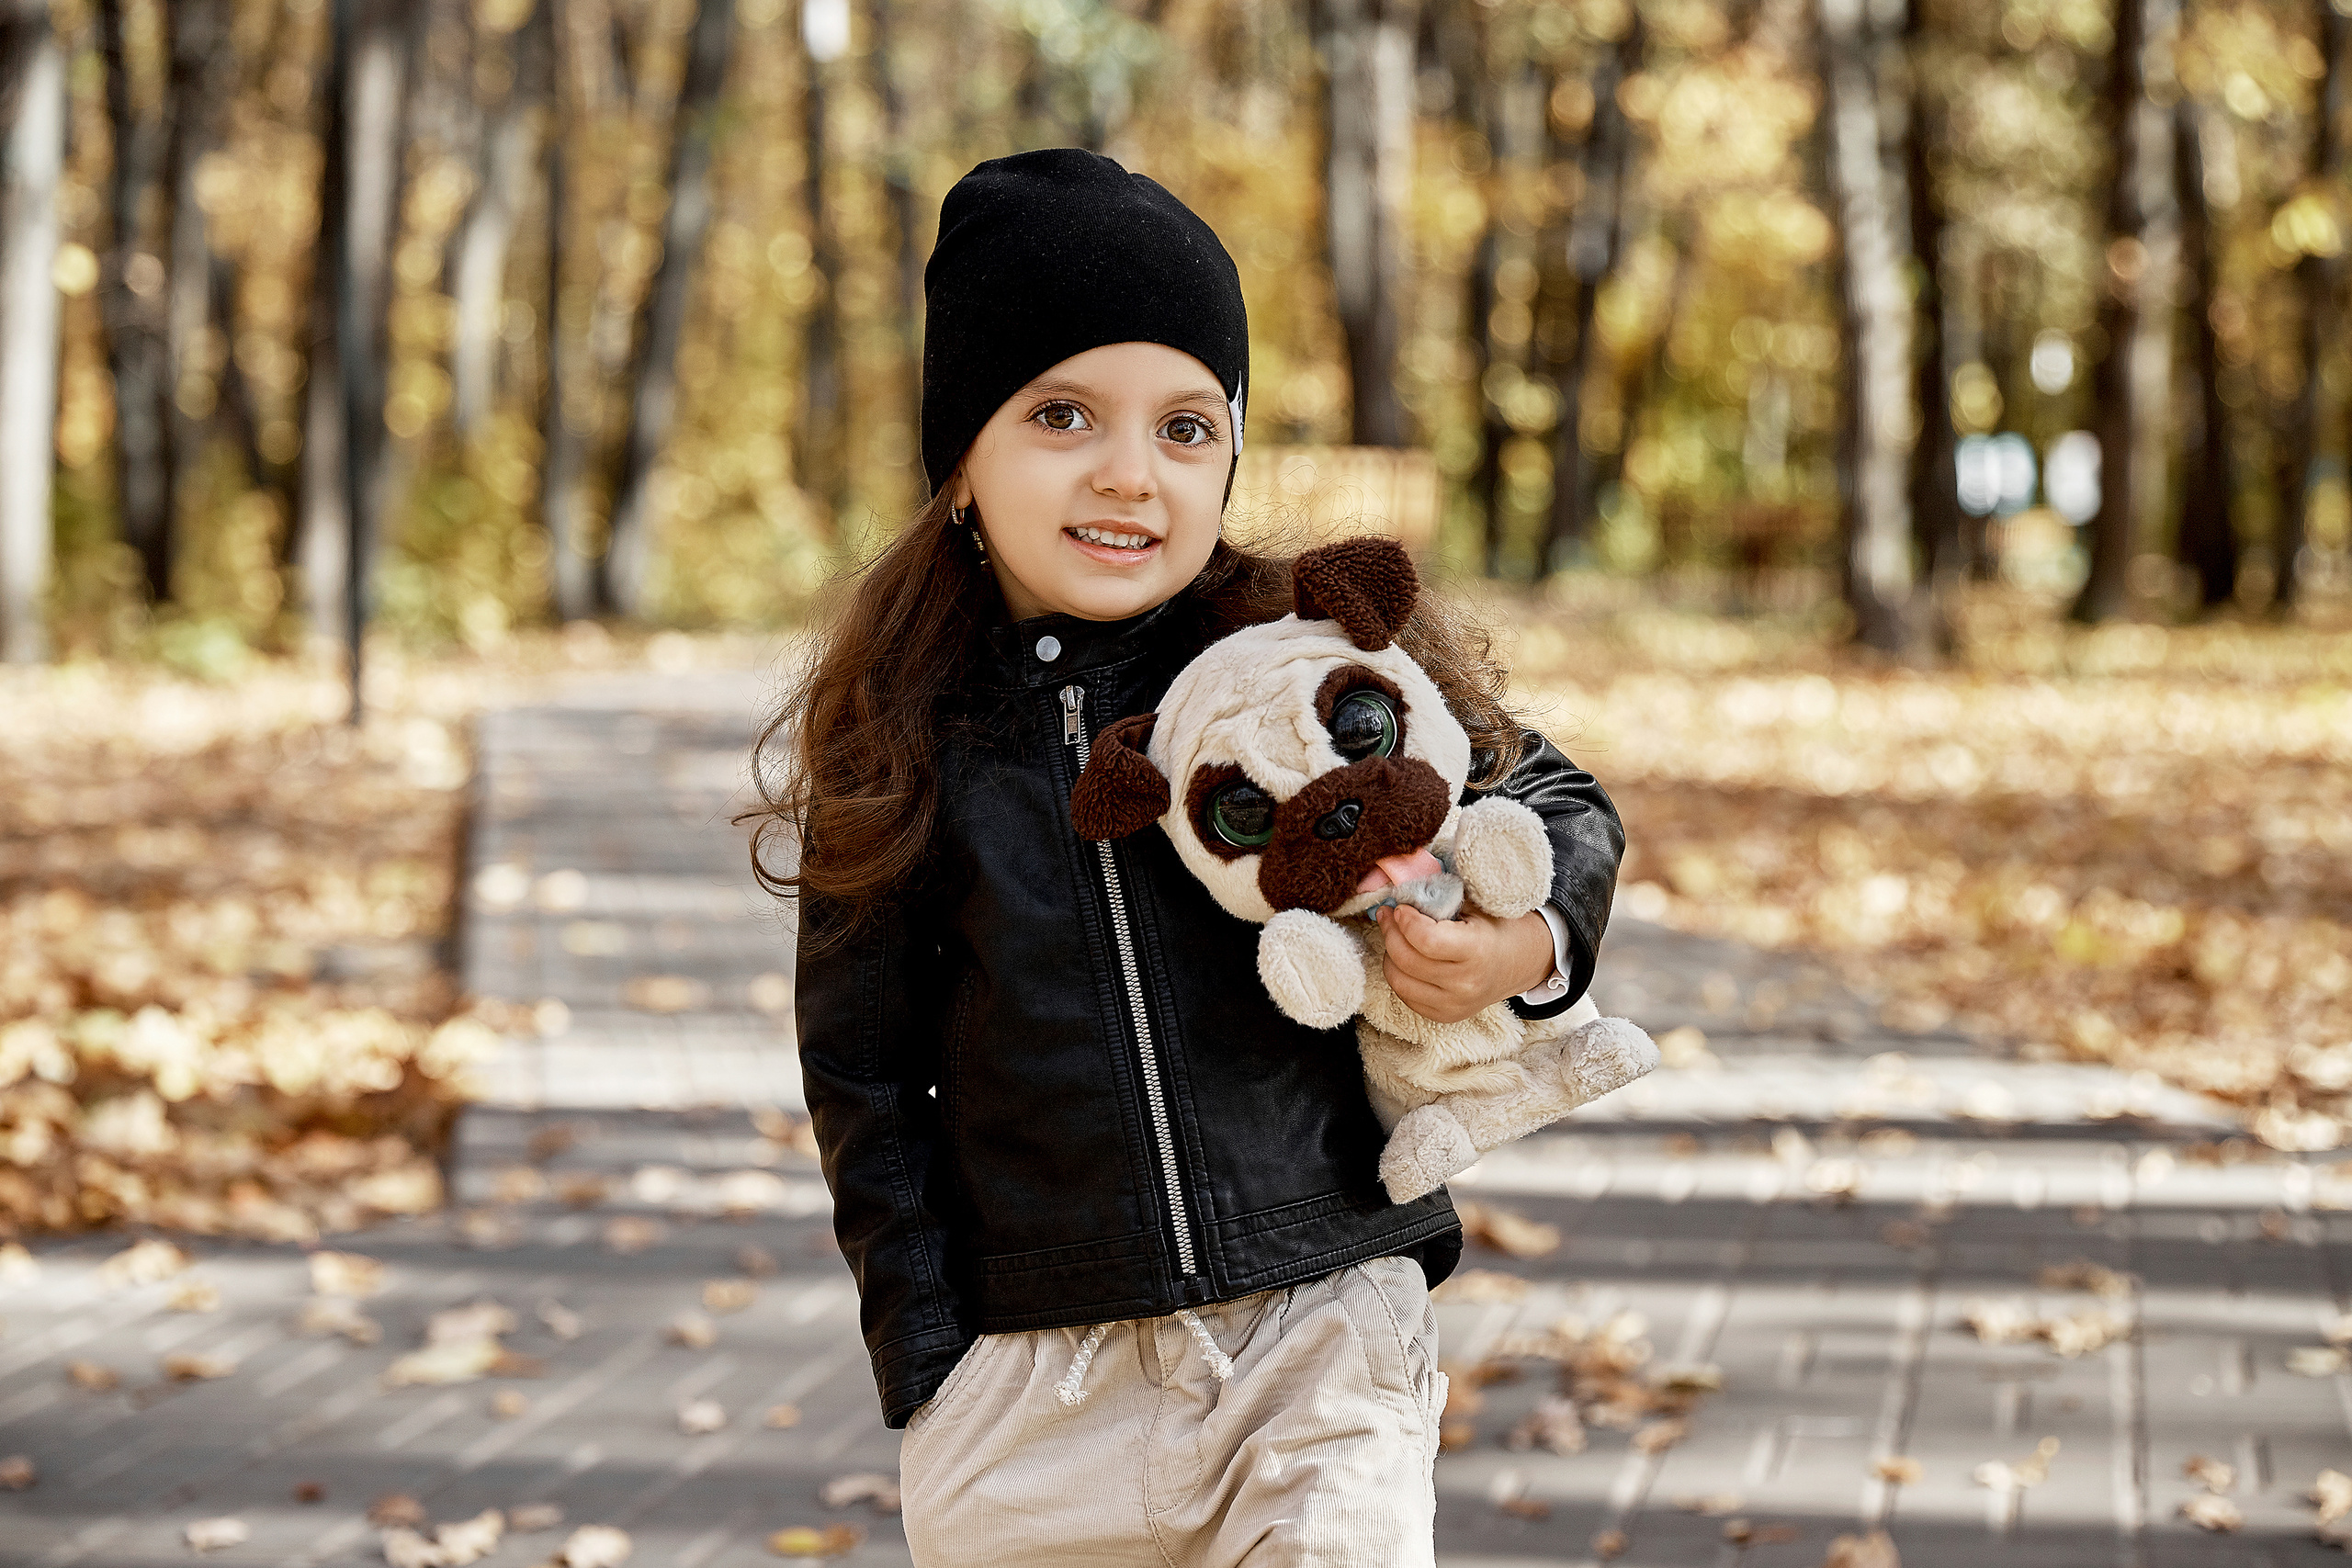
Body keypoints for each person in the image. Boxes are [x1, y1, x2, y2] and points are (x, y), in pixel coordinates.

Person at [754, 148, 1623, 1566]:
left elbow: (1562, 797)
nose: (1127, 473)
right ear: (963, 460)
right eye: (1063, 415)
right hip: (1038, 1394)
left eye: (1183, 427)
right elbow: (861, 1075)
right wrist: (929, 1361)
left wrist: (1528, 947)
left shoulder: (1306, 663)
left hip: (1317, 1319)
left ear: (1229, 452)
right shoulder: (905, 742)